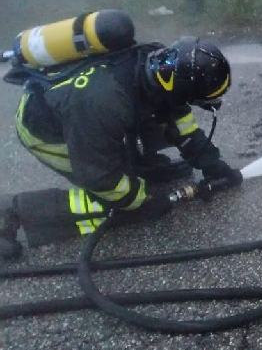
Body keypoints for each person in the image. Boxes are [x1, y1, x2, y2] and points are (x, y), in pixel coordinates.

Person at [0, 37, 242, 261]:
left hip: (87, 114)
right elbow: (99, 177)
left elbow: (176, 113)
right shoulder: (105, 103)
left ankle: (140, 167)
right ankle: (14, 211)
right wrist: (142, 201)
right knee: (111, 201)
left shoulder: (155, 60)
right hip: (48, 133)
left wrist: (209, 160)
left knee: (157, 109)